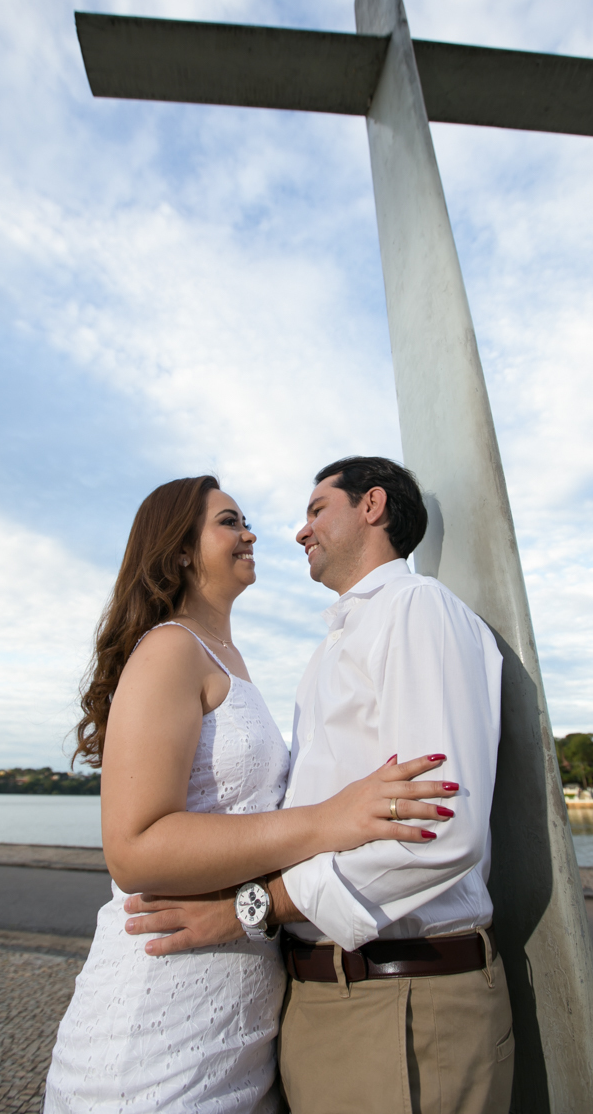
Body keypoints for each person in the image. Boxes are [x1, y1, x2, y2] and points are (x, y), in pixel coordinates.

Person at [43, 474, 453, 1114]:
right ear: (180, 549)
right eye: (229, 522)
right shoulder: (169, 651)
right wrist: (328, 821)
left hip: (242, 1026)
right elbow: (134, 849)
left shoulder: (233, 661)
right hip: (161, 1017)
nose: (251, 533)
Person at [124, 457, 514, 1114]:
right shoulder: (329, 650)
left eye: (315, 510)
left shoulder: (415, 609)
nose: (299, 532)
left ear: (372, 506)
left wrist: (254, 908)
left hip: (403, 1002)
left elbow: (440, 829)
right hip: (320, 1003)